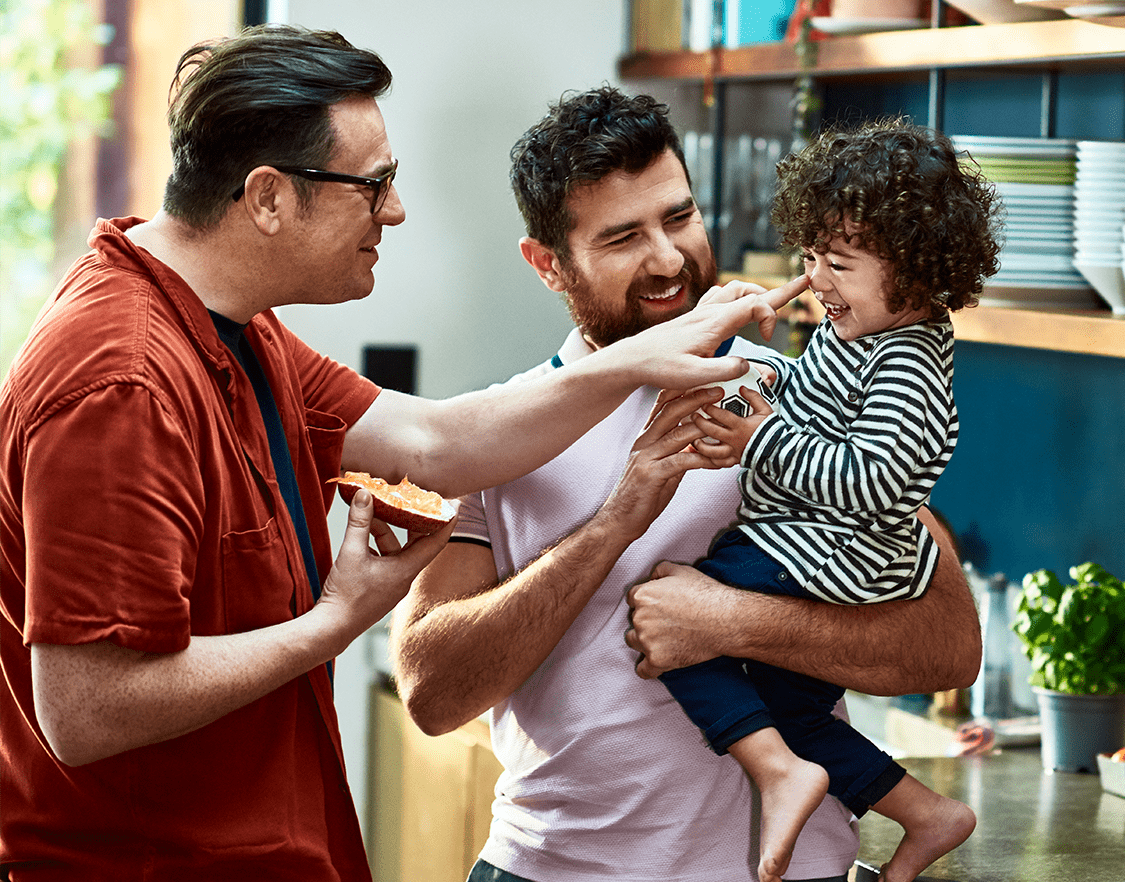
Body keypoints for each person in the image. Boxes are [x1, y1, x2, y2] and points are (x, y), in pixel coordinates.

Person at [0, 29, 797, 882]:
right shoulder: (122, 381)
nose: (395, 210)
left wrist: (643, 354)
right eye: (373, 184)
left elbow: (437, 442)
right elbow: (86, 709)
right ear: (268, 198)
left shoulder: (237, 331)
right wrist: (336, 621)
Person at [391, 86, 983, 882]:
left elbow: (949, 645)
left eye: (679, 217)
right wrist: (616, 522)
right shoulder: (492, 433)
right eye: (623, 237)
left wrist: (732, 621)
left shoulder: (803, 396)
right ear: (547, 264)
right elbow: (431, 694)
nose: (668, 259)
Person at [662, 118, 1001, 882]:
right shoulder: (855, 330)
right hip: (816, 547)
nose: (817, 278)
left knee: (672, 616)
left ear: (916, 271)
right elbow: (816, 406)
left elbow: (871, 478)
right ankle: (924, 814)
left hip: (831, 554)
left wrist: (760, 442)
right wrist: (765, 376)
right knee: (799, 710)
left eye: (838, 263)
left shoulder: (909, 361)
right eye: (811, 256)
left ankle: (778, 773)